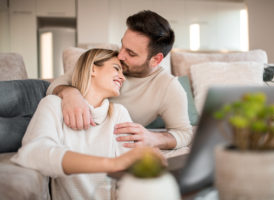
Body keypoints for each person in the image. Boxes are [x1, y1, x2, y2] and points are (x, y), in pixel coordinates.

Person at [11, 49, 165, 199]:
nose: (122, 78)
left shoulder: (118, 113)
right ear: (92, 69)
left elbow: (128, 174)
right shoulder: (53, 104)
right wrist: (113, 164)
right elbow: (35, 153)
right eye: (116, 68)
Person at [47, 10, 193, 150]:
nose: (120, 55)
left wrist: (154, 138)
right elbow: (53, 86)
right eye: (122, 45)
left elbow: (184, 133)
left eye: (131, 53)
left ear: (156, 59)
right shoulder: (105, 60)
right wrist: (70, 94)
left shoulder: (168, 88)